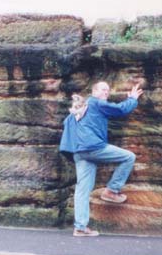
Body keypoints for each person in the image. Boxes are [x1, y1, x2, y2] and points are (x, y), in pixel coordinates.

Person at [59, 82, 144, 237]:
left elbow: (66, 123)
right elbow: (120, 109)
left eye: (108, 90)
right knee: (128, 157)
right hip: (93, 147)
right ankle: (112, 190)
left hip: (78, 151)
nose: (106, 92)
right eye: (103, 89)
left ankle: (80, 227)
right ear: (94, 91)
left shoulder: (78, 109)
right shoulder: (95, 102)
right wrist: (132, 99)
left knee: (82, 190)